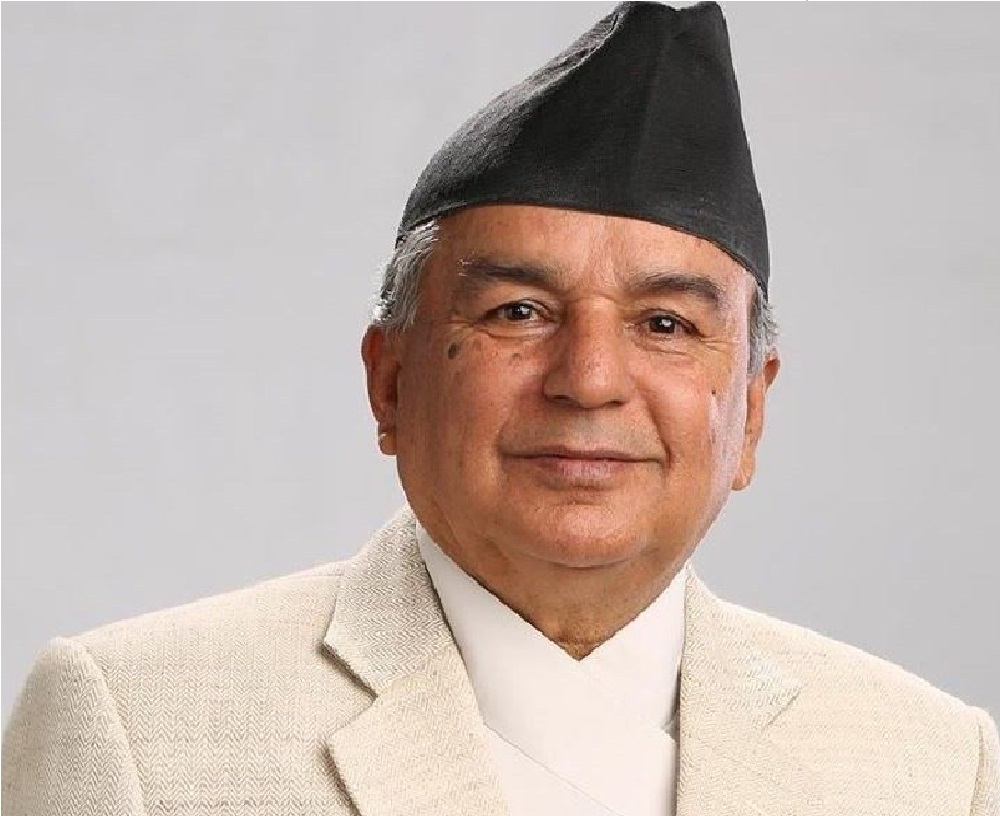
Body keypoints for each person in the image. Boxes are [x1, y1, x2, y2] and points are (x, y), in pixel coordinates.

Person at [3, 3, 997, 814]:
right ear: (391, 381)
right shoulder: (137, 730)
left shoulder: (932, 771)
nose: (589, 378)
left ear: (752, 414)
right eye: (518, 311)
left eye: (664, 324)